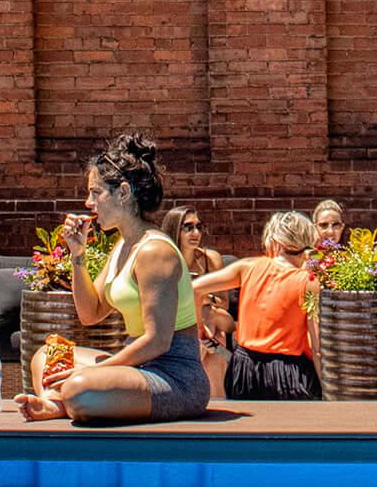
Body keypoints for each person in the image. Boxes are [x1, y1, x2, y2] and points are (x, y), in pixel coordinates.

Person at [17, 134, 211, 425]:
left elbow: (157, 342)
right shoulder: (123, 245)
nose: (88, 202)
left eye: (96, 193)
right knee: (47, 355)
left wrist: (96, 372)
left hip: (174, 377)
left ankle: (62, 401)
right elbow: (90, 314)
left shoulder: (155, 251)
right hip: (136, 368)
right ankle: (58, 403)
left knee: (79, 387)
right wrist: (77, 254)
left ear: (123, 192)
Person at [191, 211, 322, 401]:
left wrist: (200, 329)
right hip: (288, 372)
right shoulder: (308, 282)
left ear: (274, 241)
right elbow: (317, 346)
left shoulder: (248, 267)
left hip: (245, 367)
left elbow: (195, 288)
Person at [163, 204, 233, 382]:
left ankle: (195, 358)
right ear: (175, 229)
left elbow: (223, 302)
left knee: (208, 312)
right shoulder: (165, 259)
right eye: (188, 227)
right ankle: (215, 354)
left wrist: (199, 295)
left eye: (199, 227)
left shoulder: (210, 258)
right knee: (216, 338)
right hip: (184, 320)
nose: (195, 233)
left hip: (217, 317)